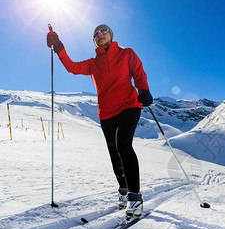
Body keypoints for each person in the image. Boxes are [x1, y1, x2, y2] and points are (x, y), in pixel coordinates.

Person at [46, 24, 153, 217]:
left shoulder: (126, 53)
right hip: (107, 112)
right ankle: (123, 190)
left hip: (129, 105)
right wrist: (59, 47)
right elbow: (72, 67)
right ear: (94, 41)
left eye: (103, 31)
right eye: (96, 34)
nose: (100, 34)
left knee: (123, 146)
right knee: (114, 152)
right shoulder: (93, 64)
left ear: (111, 35)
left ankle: (135, 198)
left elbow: (138, 71)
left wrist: (143, 89)